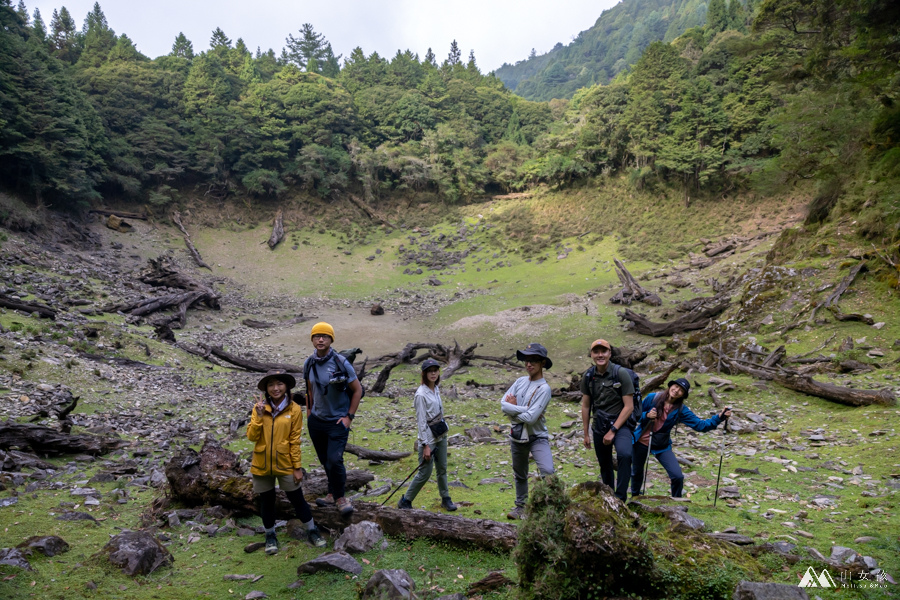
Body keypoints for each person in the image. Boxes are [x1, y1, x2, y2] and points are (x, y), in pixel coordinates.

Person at [247, 369, 326, 554]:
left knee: (297, 499)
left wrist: (297, 467)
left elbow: (294, 440)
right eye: (271, 384)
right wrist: (258, 416)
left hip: (285, 463)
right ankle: (270, 535)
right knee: (267, 501)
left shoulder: (295, 409)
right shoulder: (259, 407)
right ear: (266, 388)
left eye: (280, 384)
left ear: (287, 386)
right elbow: (251, 436)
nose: (276, 388)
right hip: (262, 463)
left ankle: (312, 530)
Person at [631, 378, 732, 497]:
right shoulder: (652, 398)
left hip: (661, 445)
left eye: (681, 390)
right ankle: (635, 497)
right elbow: (635, 415)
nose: (677, 390)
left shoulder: (681, 410)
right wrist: (646, 415)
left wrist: (719, 417)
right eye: (676, 386)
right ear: (670, 386)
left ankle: (676, 501)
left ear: (683, 395)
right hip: (641, 441)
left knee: (677, 476)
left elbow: (701, 425)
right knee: (636, 473)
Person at [303, 322, 363, 516]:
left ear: (331, 340)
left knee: (335, 459)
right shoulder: (309, 363)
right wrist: (309, 414)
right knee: (325, 461)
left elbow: (357, 390)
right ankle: (331, 494)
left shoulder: (340, 362)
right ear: (312, 339)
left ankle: (340, 497)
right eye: (317, 336)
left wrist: (349, 417)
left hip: (338, 421)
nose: (321, 339)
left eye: (325, 336)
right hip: (317, 421)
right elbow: (309, 390)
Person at [501, 343, 555, 520]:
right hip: (517, 435)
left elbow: (532, 419)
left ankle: (548, 507)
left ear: (542, 363)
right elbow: (503, 405)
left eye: (533, 360)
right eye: (526, 360)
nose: (528, 364)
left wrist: (514, 410)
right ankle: (520, 507)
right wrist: (525, 410)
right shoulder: (519, 382)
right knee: (520, 473)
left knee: (547, 470)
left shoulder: (544, 388)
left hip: (537, 436)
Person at [397, 358, 457, 511]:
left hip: (441, 435)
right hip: (429, 440)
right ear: (424, 374)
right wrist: (425, 445)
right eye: (430, 371)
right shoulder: (421, 394)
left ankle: (446, 498)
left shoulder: (435, 389)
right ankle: (405, 500)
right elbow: (421, 422)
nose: (433, 373)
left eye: (435, 370)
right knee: (425, 472)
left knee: (442, 469)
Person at [581, 339, 634, 502]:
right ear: (591, 355)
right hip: (599, 424)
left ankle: (621, 498)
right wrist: (586, 434)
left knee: (625, 455)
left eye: (603, 351)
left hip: (621, 424)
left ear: (610, 353)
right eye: (596, 352)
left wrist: (613, 431)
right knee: (605, 464)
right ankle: (609, 496)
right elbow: (585, 405)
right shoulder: (588, 376)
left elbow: (629, 406)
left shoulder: (621, 373)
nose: (600, 355)